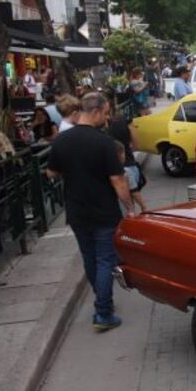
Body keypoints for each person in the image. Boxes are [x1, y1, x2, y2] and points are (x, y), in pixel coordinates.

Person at [47, 92, 133, 331]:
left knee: (90, 258)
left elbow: (51, 173)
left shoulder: (61, 140)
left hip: (77, 211)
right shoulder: (103, 142)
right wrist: (129, 206)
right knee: (106, 259)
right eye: (105, 113)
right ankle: (103, 312)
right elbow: (118, 180)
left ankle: (102, 301)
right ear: (95, 112)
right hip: (103, 211)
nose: (106, 119)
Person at [107, 106, 148, 212]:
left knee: (123, 198)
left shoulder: (106, 127)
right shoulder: (127, 124)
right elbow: (137, 145)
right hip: (129, 163)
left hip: (113, 166)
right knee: (132, 191)